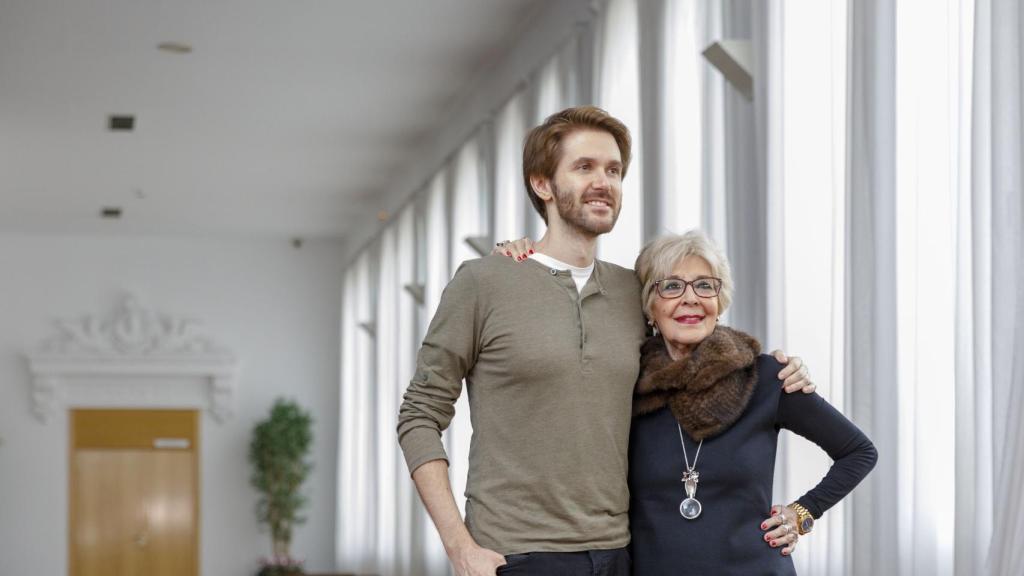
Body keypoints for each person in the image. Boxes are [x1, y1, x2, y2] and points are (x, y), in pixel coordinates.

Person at [396, 106, 813, 576]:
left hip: (620, 554)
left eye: (613, 170)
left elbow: (692, 344)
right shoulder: (484, 282)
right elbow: (419, 414)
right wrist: (459, 546)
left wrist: (772, 365)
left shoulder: (631, 291)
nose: (604, 182)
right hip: (513, 555)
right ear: (542, 184)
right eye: (584, 167)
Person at [627, 230, 877, 574]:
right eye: (671, 286)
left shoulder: (767, 377)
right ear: (649, 306)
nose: (690, 298)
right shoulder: (626, 387)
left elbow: (859, 452)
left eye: (704, 285)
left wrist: (802, 514)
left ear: (720, 301)